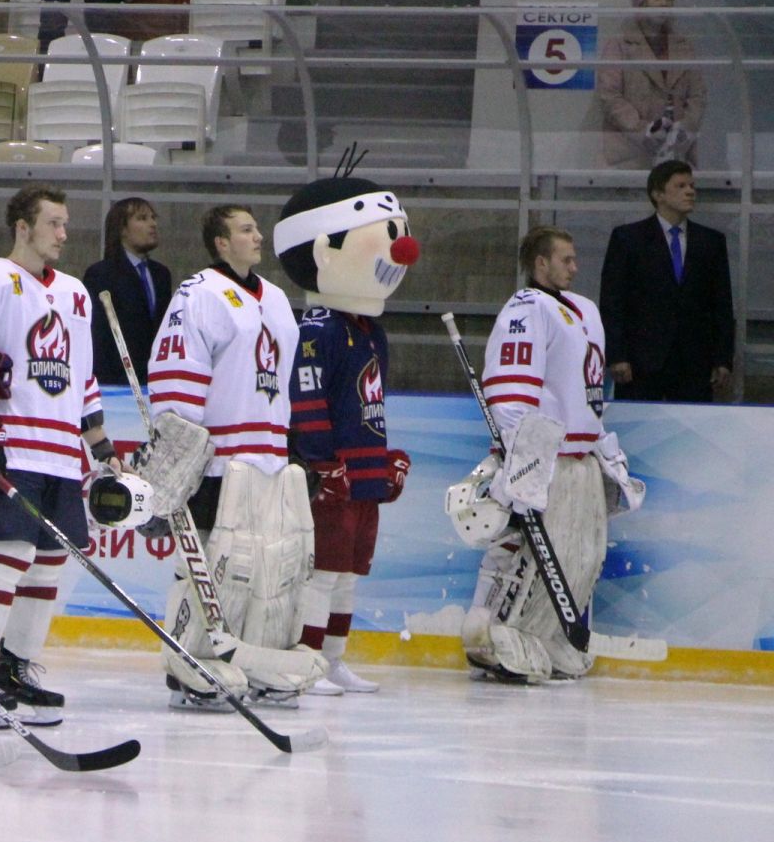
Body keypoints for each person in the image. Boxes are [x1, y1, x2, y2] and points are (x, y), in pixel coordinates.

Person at [0, 185, 127, 728]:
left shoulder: (76, 293)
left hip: (63, 454)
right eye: (55, 224)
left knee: (48, 567)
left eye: (66, 224)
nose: (64, 234)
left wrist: (103, 450)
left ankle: (15, 669)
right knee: (7, 555)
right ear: (23, 227)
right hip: (11, 445)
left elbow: (83, 379)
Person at [146, 204, 324, 710]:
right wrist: (180, 458)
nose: (258, 235)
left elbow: (282, 386)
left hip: (270, 458)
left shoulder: (276, 299)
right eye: (246, 229)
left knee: (273, 568)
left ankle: (258, 660)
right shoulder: (198, 293)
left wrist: (294, 451)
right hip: (220, 459)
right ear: (221, 243)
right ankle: (188, 662)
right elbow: (177, 382)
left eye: (256, 227)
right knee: (211, 564)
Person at [454, 226, 644, 684]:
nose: (575, 267)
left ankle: (548, 638)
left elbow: (588, 391)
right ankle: (492, 638)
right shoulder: (527, 308)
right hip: (546, 458)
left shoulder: (584, 310)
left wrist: (601, 447)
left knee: (581, 555)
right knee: (522, 553)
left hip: (580, 461)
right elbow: (512, 390)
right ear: (540, 263)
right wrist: (524, 460)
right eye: (565, 259)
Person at [275, 172, 421, 696]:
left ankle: (333, 660)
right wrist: (321, 462)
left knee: (350, 573)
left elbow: (370, 401)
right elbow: (306, 399)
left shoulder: (370, 330)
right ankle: (307, 658)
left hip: (362, 471)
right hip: (330, 473)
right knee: (323, 572)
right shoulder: (316, 330)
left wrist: (383, 460)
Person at [598, 160, 734, 403]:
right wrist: (617, 354)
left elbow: (721, 304)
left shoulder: (711, 241)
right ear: (658, 194)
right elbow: (613, 300)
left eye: (692, 185)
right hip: (641, 360)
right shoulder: (628, 239)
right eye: (680, 186)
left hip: (694, 360)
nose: (690, 191)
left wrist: (722, 358)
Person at [597, 0, 707, 170]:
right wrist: (643, 130)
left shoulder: (684, 46)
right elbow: (609, 96)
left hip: (678, 155)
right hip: (630, 154)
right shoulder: (619, 44)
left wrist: (685, 129)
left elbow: (698, 95)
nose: (663, 4)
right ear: (641, 3)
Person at [82, 196, 173, 387]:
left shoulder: (161, 274)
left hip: (155, 382)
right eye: (142, 218)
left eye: (153, 218)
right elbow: (98, 336)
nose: (152, 224)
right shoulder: (101, 274)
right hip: (115, 385)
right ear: (122, 229)